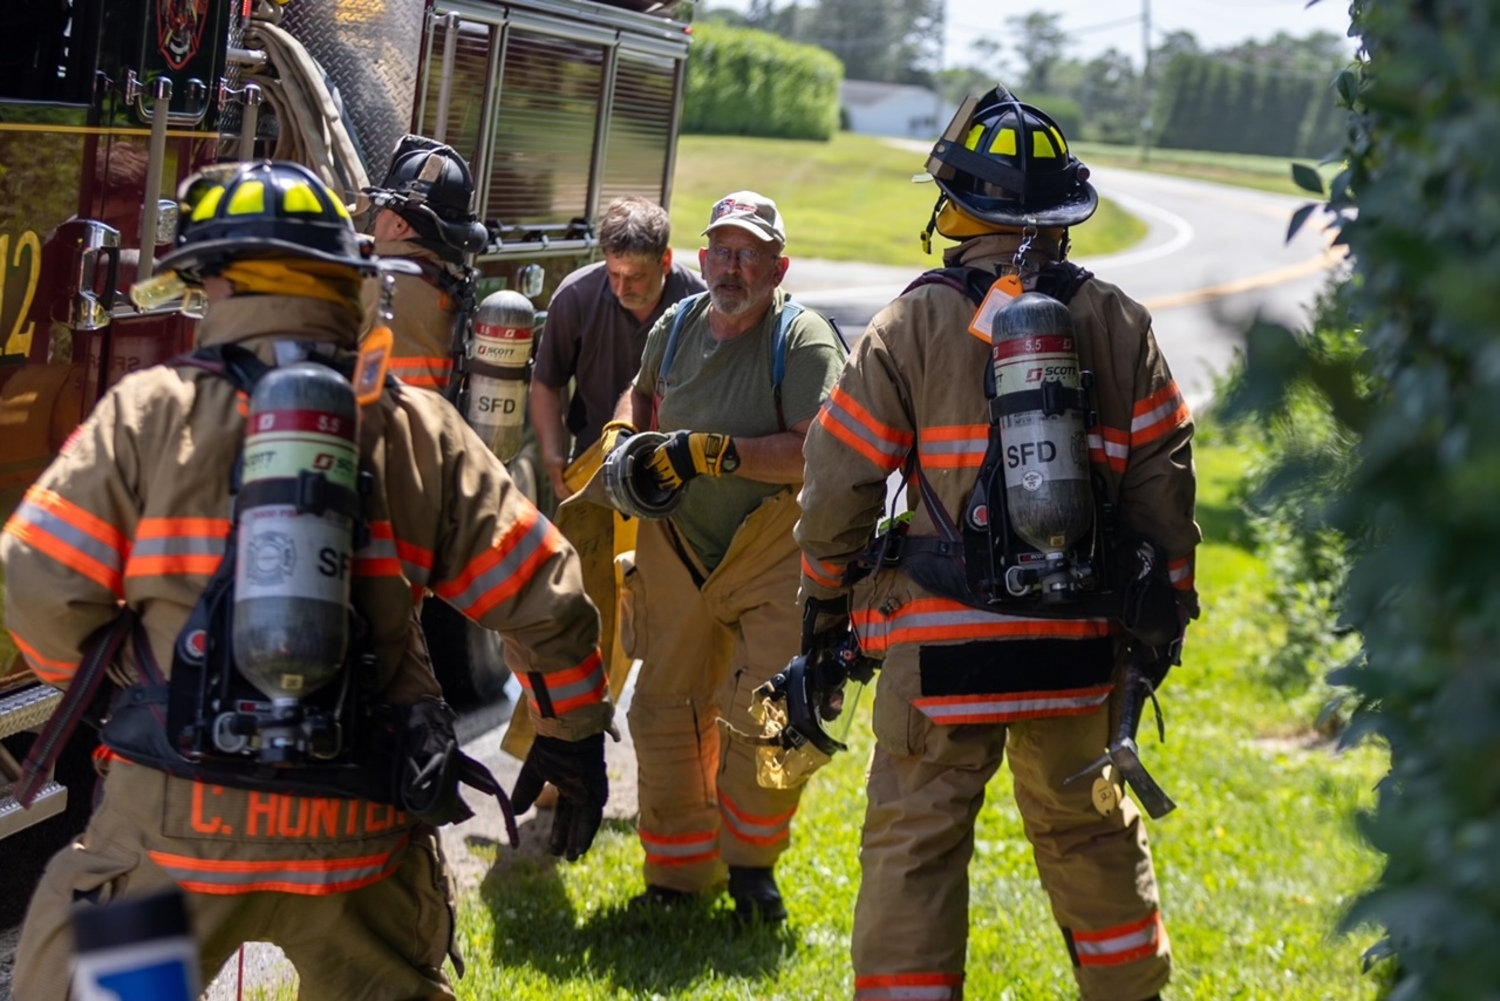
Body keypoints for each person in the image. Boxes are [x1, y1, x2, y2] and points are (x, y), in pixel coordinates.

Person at [3, 161, 611, 1000]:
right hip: (359, 835)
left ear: (209, 280)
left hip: (177, 828)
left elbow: (33, 581)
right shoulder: (417, 427)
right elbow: (548, 597)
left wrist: (126, 685)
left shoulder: (149, 413)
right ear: (347, 280)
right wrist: (572, 734)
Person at [793, 88, 1199, 1000]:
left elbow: (837, 485)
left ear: (959, 206)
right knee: (1092, 833)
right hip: (1078, 647)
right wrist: (1160, 622)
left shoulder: (911, 321)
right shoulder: (1121, 321)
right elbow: (1164, 486)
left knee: (916, 845)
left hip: (939, 650)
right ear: (1060, 212)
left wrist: (823, 601)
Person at [607, 190, 846, 922]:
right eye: (722, 251)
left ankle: (753, 870)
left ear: (779, 265)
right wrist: (624, 442)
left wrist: (715, 454)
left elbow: (816, 450)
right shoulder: (675, 328)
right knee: (662, 710)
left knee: (774, 718)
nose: (733, 267)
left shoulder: (801, 341)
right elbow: (641, 400)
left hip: (773, 550)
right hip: (679, 546)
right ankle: (679, 878)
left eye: (750, 254)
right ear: (703, 258)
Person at [532, 195, 706, 502]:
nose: (622, 288)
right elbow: (547, 381)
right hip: (592, 460)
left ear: (665, 260)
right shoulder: (575, 296)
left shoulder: (701, 304)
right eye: (614, 274)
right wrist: (553, 454)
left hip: (679, 469)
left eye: (636, 277)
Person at [360, 134, 489, 393]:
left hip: (377, 426)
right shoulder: (449, 279)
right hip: (431, 425)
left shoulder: (371, 285)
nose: (376, 220)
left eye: (382, 209)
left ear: (398, 225)